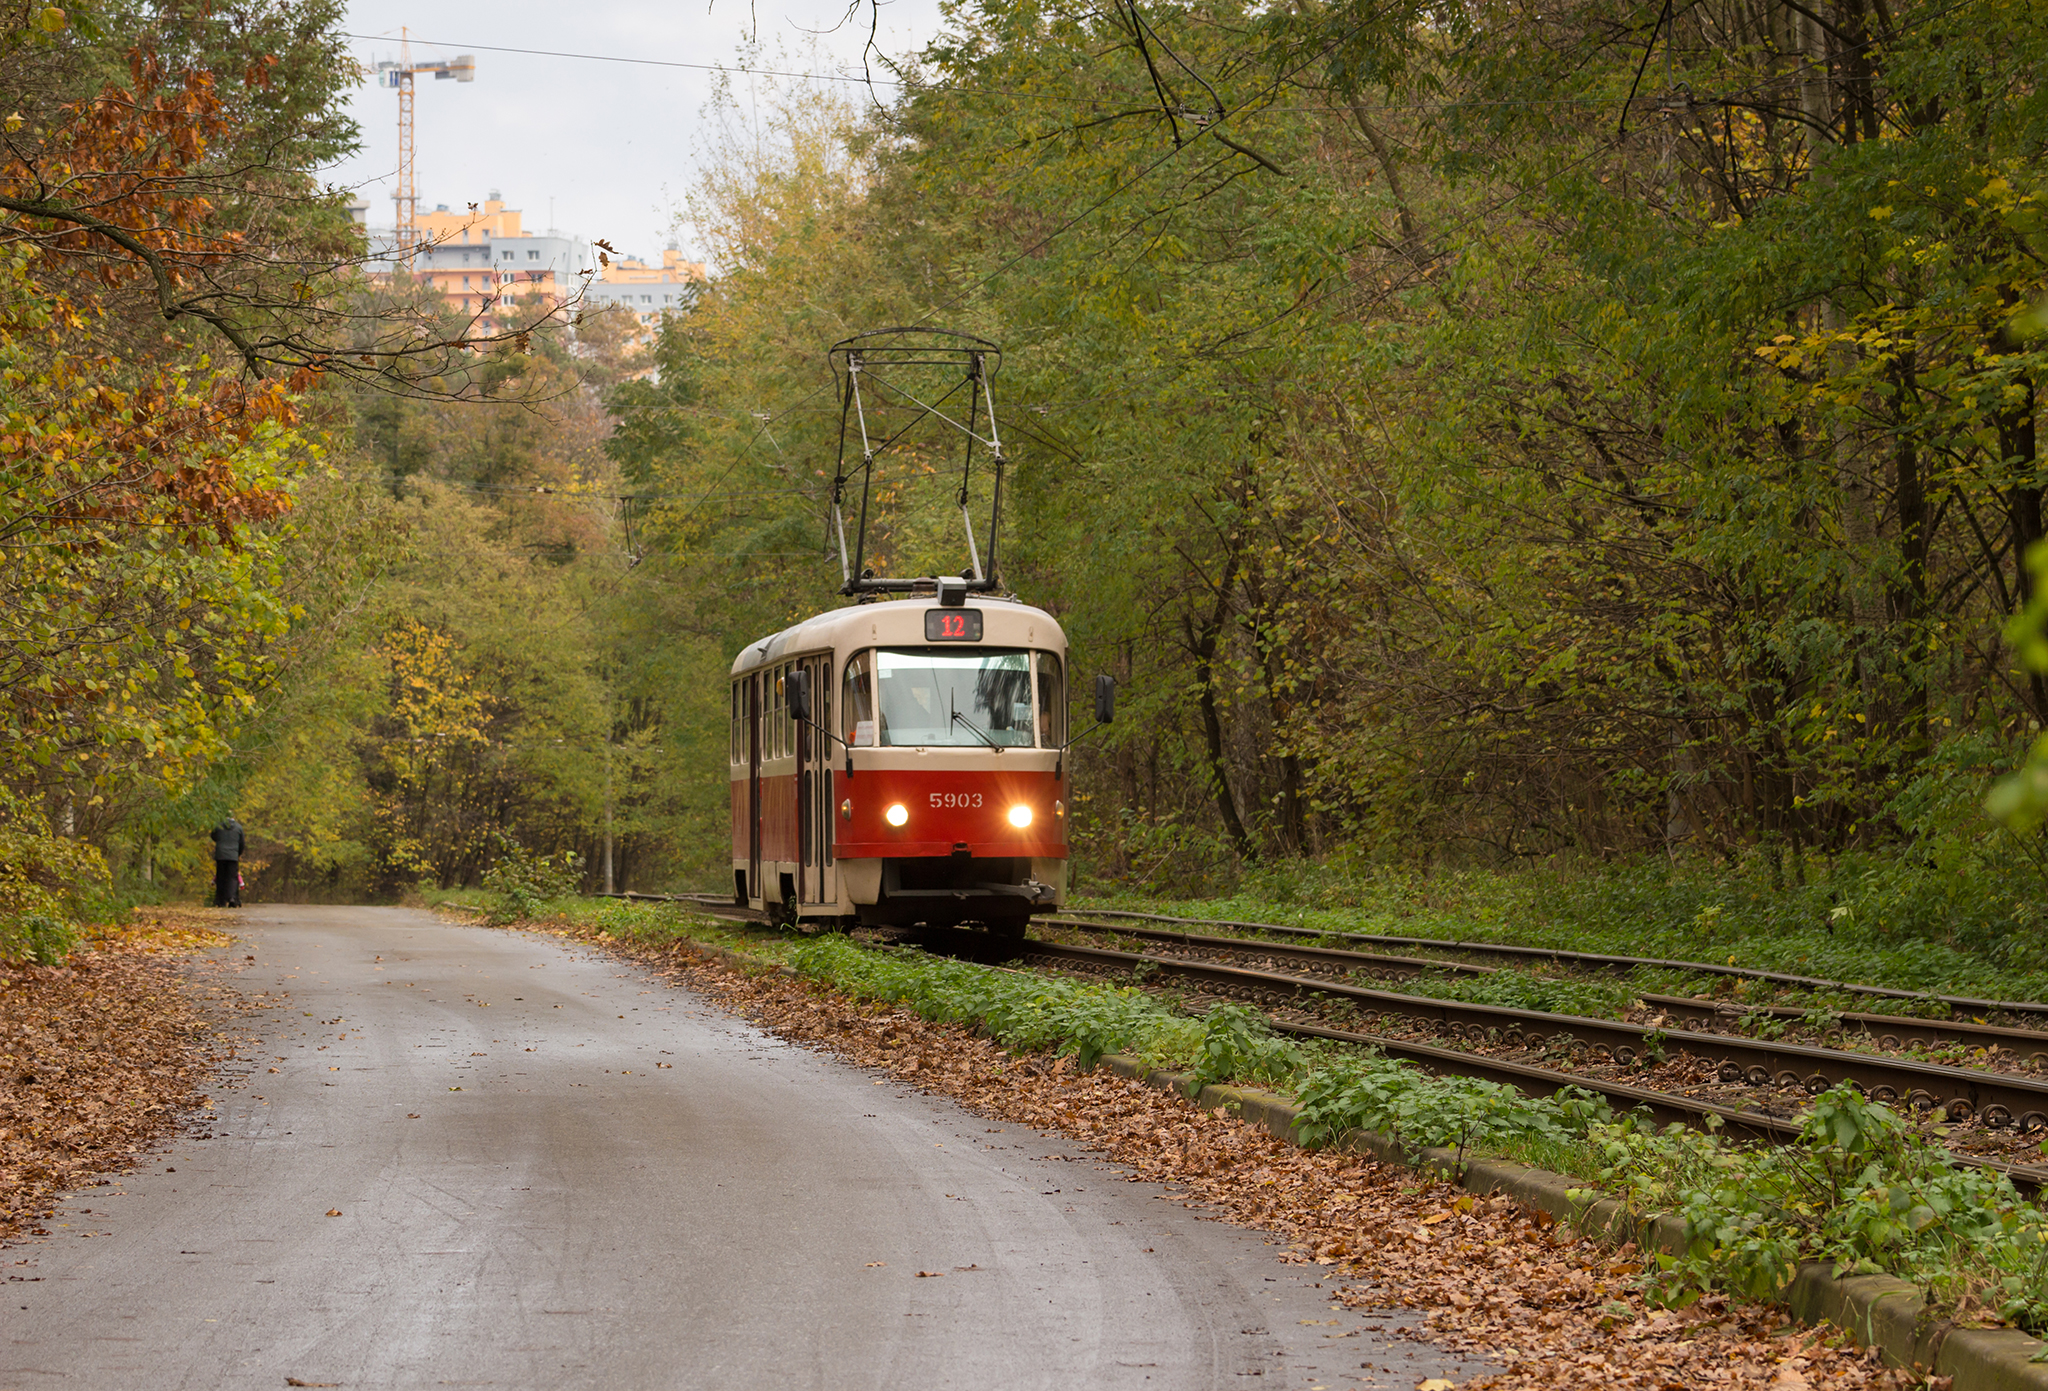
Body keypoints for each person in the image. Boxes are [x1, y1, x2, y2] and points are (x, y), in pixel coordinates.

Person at [210, 814, 245, 908]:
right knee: (232, 877)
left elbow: (213, 836)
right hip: (233, 856)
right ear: (234, 816)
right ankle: (232, 898)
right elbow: (242, 843)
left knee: (221, 877)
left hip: (220, 855)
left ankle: (221, 900)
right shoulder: (238, 827)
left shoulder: (218, 826)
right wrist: (237, 853)